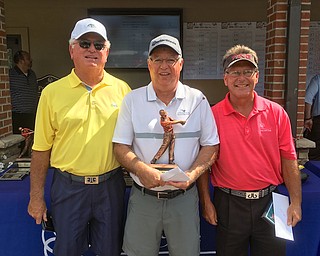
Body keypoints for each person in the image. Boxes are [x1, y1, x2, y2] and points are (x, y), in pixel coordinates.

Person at [27, 18, 131, 256]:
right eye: (85, 43)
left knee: (110, 251)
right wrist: (36, 197)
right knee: (67, 252)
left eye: (98, 44)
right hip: (68, 188)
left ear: (107, 51)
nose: (92, 50)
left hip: (110, 187)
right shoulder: (52, 93)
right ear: (71, 49)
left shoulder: (123, 90)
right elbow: (41, 149)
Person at [112, 34, 220, 256]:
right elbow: (120, 147)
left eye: (170, 60)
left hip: (184, 198)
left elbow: (211, 147)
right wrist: (142, 169)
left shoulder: (197, 100)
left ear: (180, 64)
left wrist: (192, 174)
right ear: (149, 65)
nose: (164, 66)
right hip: (144, 198)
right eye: (157, 59)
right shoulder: (132, 100)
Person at [197, 45, 302, 256]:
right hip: (229, 203)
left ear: (257, 76)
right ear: (225, 78)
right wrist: (206, 202)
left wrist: (296, 202)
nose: (241, 78)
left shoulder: (276, 113)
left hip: (270, 202)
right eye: (235, 72)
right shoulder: (211, 115)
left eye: (247, 72)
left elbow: (289, 159)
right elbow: (203, 162)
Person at [9, 50, 38, 134]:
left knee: (31, 139)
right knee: (20, 141)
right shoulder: (10, 74)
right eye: (28, 58)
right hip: (18, 116)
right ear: (21, 61)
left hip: (32, 115)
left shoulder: (32, 74)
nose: (31, 60)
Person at [304, 74, 320, 160]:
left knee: (314, 154)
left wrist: (308, 118)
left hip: (318, 121)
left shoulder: (317, 79)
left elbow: (307, 99)